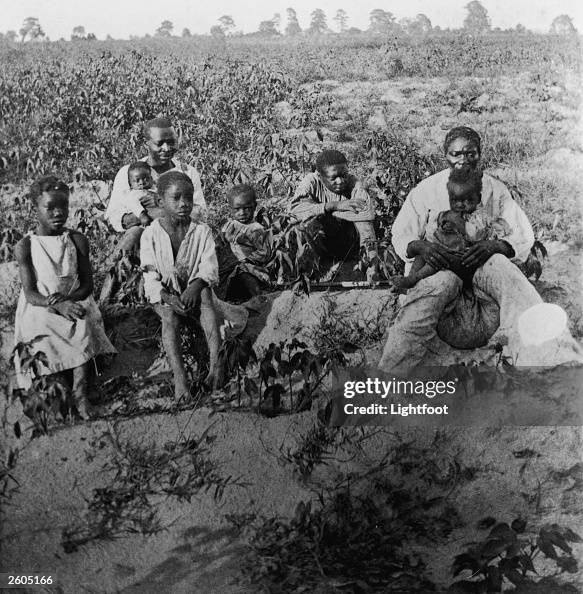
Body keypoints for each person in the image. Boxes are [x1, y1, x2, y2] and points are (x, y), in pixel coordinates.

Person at [379, 126, 582, 370]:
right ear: (445, 155)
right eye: (456, 154)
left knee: (502, 268)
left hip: (483, 289)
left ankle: (547, 358)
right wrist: (422, 247)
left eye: (470, 154)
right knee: (436, 285)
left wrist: (494, 245)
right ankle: (391, 374)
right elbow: (401, 234)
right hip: (445, 285)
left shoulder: (495, 190)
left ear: (480, 154)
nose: (463, 161)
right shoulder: (426, 190)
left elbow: (522, 235)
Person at [14, 177, 116, 419]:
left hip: (75, 298)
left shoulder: (76, 240)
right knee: (38, 328)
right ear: (34, 209)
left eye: (64, 206)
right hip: (41, 304)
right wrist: (57, 304)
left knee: (83, 323)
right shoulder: (26, 245)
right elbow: (30, 293)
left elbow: (87, 284)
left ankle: (80, 394)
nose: (58, 213)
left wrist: (71, 301)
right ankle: (56, 390)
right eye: (50, 207)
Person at [140, 171, 221, 398]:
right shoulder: (150, 235)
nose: (184, 204)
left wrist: (195, 286)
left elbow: (209, 267)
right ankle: (180, 378)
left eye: (188, 197)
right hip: (166, 295)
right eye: (176, 198)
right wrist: (167, 297)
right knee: (169, 316)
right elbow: (150, 276)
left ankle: (216, 367)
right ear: (160, 202)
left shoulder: (201, 231)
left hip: (194, 292)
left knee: (205, 294)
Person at [391, 168, 511, 292]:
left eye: (468, 200)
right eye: (456, 200)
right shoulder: (448, 210)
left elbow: (480, 236)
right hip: (440, 247)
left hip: (461, 257)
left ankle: (414, 280)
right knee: (421, 255)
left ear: (478, 199)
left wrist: (464, 227)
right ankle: (410, 281)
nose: (461, 205)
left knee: (439, 262)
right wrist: (442, 226)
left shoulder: (480, 217)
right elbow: (434, 224)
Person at [104, 117, 206, 252]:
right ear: (147, 144)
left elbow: (200, 213)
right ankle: (114, 271)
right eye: (159, 143)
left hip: (180, 238)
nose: (167, 148)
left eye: (171, 142)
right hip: (141, 240)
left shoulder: (188, 172)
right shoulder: (129, 173)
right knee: (133, 235)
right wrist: (153, 214)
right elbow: (115, 219)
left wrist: (157, 207)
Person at [289, 150, 378, 269]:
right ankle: (307, 269)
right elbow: (295, 211)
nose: (340, 181)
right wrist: (333, 206)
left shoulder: (354, 183)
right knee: (302, 225)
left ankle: (365, 264)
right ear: (320, 176)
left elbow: (366, 219)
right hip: (319, 244)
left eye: (344, 175)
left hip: (348, 243)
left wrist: (372, 258)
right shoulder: (311, 182)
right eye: (334, 177)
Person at [216, 184, 272, 301]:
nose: (242, 213)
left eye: (247, 208)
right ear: (230, 208)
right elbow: (220, 242)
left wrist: (247, 259)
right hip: (230, 267)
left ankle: (259, 297)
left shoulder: (255, 229)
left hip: (251, 267)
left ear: (254, 207)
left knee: (244, 272)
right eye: (237, 209)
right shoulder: (229, 225)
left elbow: (265, 252)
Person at [123, 161, 159, 228]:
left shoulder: (154, 189)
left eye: (146, 179)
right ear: (130, 184)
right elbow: (133, 204)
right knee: (134, 234)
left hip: (155, 220)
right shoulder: (135, 193)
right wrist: (141, 215)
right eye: (137, 180)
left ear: (151, 179)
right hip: (139, 223)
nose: (142, 182)